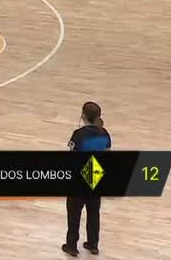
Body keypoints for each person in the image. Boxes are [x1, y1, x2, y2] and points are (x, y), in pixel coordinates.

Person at [63, 101, 111, 257]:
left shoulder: (78, 135)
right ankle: (93, 244)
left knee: (74, 214)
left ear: (83, 115)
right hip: (95, 176)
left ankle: (71, 246)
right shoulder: (105, 134)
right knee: (93, 212)